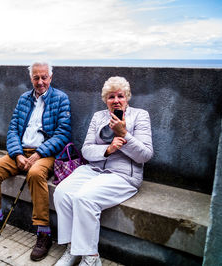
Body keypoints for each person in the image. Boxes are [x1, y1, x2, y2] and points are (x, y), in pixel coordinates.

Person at [53, 76, 153, 266]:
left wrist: (124, 136)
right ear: (105, 100)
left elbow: (145, 155)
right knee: (62, 193)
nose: (116, 100)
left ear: (127, 98)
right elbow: (86, 150)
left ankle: (91, 258)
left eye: (120, 96)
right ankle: (73, 248)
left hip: (123, 176)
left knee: (84, 198)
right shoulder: (99, 116)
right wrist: (108, 150)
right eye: (111, 97)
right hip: (94, 169)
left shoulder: (140, 115)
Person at [0, 61, 72, 261]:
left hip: (45, 153)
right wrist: (18, 154)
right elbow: (13, 129)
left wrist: (38, 155)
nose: (40, 82)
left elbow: (63, 134)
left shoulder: (60, 99)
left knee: (35, 173)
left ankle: (43, 232)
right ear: (31, 78)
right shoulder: (23, 99)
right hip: (21, 151)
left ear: (50, 77)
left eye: (44, 77)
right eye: (36, 77)